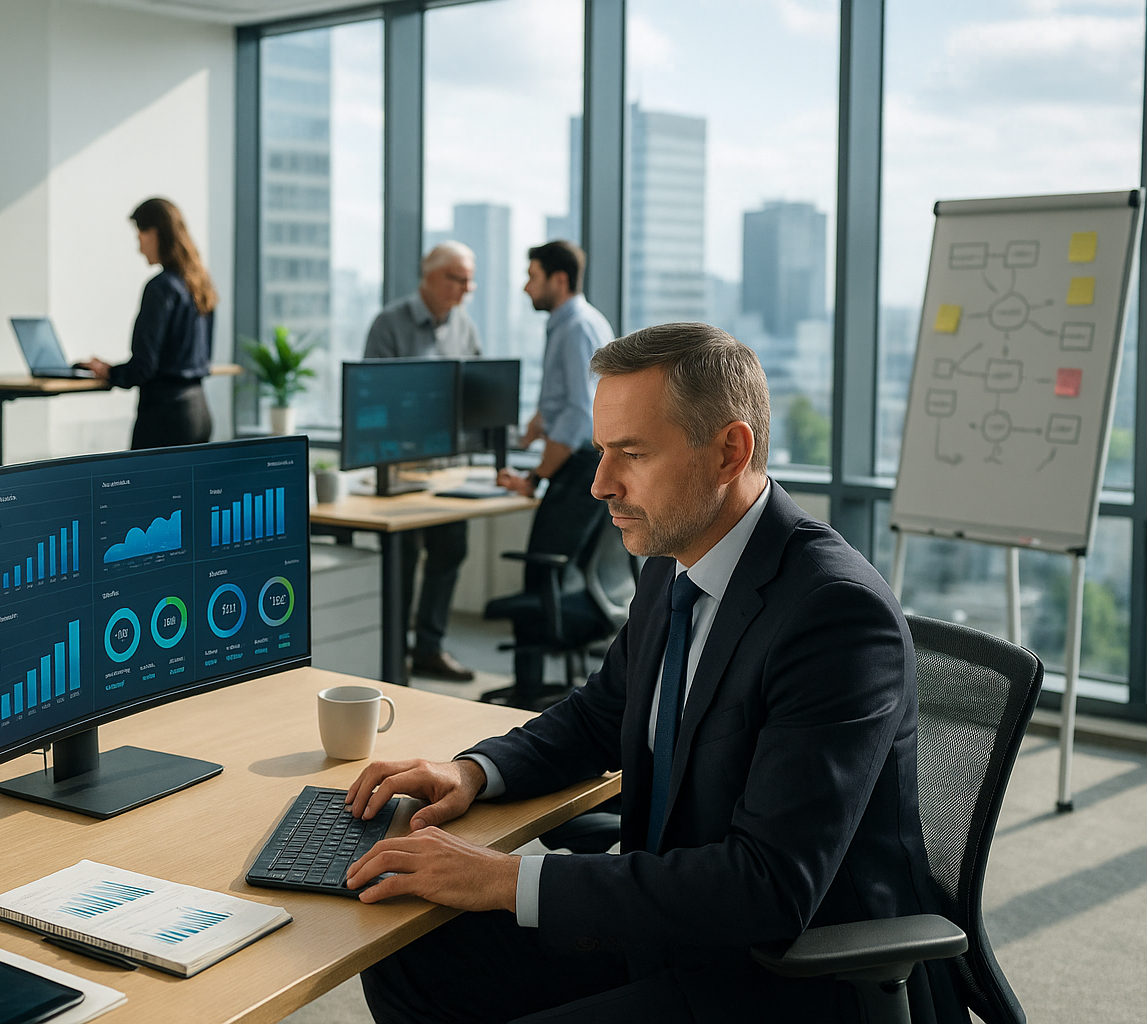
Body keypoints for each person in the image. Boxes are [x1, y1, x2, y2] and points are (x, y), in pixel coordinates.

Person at [345, 322, 962, 1024]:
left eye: (631, 454)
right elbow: (603, 712)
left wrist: (509, 878)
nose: (601, 483)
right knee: (409, 949)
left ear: (730, 451)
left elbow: (767, 886)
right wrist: (476, 772)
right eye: (602, 451)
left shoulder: (834, 616)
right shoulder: (673, 562)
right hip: (671, 930)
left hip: (783, 977)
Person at [362, 242, 482, 682]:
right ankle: (393, 656)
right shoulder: (390, 324)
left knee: (452, 548)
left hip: (446, 465)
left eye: (470, 280)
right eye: (457, 278)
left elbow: (477, 388)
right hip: (400, 466)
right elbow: (371, 395)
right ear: (428, 277)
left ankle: (428, 648)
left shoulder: (463, 326)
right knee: (403, 558)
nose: (466, 289)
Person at [82, 197, 215, 450]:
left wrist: (108, 372)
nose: (139, 247)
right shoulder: (200, 284)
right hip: (198, 412)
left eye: (139, 236)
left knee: (144, 490)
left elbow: (144, 367)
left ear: (154, 233)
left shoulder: (161, 288)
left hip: (165, 419)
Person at [497, 240, 612, 502]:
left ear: (559, 280)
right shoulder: (577, 322)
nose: (526, 287)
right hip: (578, 462)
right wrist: (536, 426)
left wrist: (535, 477)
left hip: (578, 466)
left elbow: (578, 411)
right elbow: (565, 395)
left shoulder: (575, 328)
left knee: (545, 545)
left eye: (533, 277)